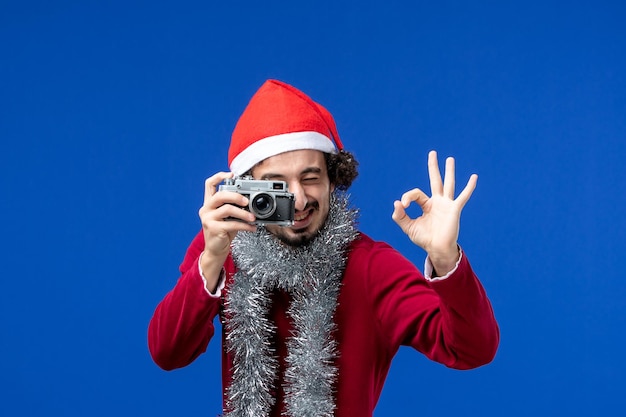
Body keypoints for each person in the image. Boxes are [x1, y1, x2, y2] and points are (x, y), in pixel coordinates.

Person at [148, 79, 499, 417]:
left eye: (310, 178)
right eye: (276, 185)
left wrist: (445, 258)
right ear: (247, 190)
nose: (298, 200)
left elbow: (473, 350)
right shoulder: (221, 248)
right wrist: (210, 260)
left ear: (334, 179)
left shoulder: (371, 267)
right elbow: (168, 352)